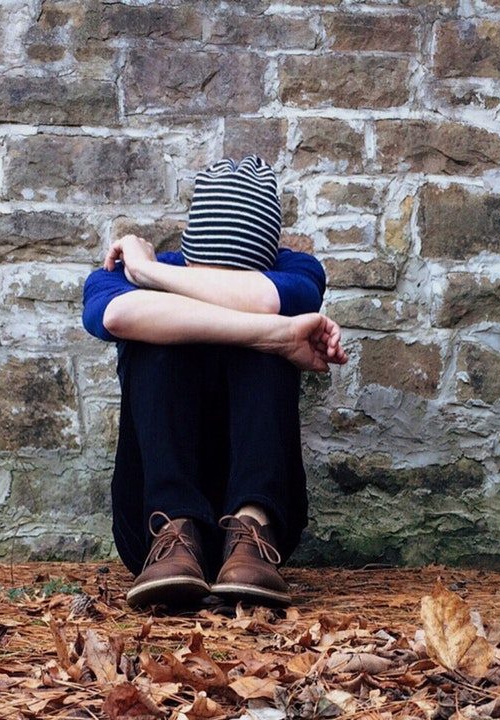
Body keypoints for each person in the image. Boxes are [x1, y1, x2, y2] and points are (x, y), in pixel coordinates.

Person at [81, 155, 348, 609]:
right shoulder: (117, 278)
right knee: (160, 341)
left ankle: (250, 527)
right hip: (148, 522)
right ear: (189, 257)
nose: (217, 288)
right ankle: (176, 529)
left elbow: (267, 301)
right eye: (205, 275)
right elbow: (118, 316)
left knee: (270, 341)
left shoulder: (298, 272)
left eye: (234, 281)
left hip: (263, 530)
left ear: (268, 260)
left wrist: (150, 274)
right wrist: (277, 335)